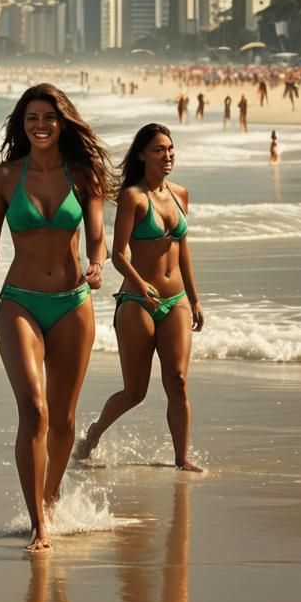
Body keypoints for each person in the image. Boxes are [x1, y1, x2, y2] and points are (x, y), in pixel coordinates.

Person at [0, 84, 109, 552]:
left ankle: (50, 494)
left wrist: (97, 262)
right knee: (34, 409)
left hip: (72, 302)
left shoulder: (82, 174)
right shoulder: (4, 177)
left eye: (48, 117)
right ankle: (39, 524)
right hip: (19, 301)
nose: (40, 125)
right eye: (31, 118)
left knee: (64, 420)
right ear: (20, 125)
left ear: (62, 121)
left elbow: (97, 234)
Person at [77, 123, 203, 471]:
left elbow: (184, 250)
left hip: (174, 299)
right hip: (137, 302)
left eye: (171, 149)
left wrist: (194, 298)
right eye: (160, 149)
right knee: (136, 391)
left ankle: (181, 459)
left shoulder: (181, 195)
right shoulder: (134, 197)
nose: (167, 156)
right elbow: (117, 254)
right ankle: (94, 433)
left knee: (177, 381)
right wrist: (140, 283)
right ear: (143, 154)